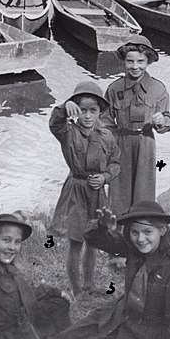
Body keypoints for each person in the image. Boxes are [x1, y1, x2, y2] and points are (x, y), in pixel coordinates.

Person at [44, 201, 170, 339]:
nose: (141, 239)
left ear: (162, 230)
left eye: (148, 231)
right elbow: (93, 239)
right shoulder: (134, 249)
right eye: (135, 232)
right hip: (118, 315)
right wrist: (101, 226)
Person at [67, 35, 170, 217]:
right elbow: (105, 120)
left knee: (144, 190)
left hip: (146, 144)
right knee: (119, 191)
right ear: (124, 61)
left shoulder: (158, 89)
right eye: (130, 61)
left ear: (149, 61)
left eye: (141, 61)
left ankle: (141, 226)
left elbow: (167, 120)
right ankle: (118, 232)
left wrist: (161, 122)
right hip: (120, 145)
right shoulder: (115, 89)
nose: (135, 66)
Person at [49, 81, 121, 297]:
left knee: (93, 241)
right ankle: (77, 289)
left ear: (100, 111)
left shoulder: (107, 135)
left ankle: (89, 285)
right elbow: (55, 122)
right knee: (76, 241)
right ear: (75, 111)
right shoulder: (67, 132)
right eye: (82, 110)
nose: (87, 116)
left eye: (93, 110)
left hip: (97, 193)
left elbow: (116, 162)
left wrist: (105, 177)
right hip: (76, 191)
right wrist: (64, 108)